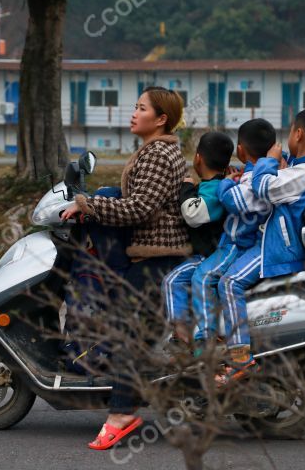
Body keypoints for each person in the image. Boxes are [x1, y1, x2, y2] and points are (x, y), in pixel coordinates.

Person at [60, 86, 190, 450]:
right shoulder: (156, 150)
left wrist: (89, 205)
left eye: (141, 108)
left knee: (126, 331)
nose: (133, 113)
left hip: (157, 257)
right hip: (147, 254)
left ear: (160, 118)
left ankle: (121, 414)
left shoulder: (158, 155)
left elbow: (140, 209)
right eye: (135, 106)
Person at [215, 108, 305, 385]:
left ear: (298, 134)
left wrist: (267, 161)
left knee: (229, 283)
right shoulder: (298, 166)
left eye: (291, 130)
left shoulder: (304, 172)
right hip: (274, 243)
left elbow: (264, 187)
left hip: (278, 249)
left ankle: (240, 357)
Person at [188, 119, 274, 364]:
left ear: (241, 150)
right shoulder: (265, 172)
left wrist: (226, 182)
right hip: (241, 242)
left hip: (238, 243)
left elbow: (231, 200)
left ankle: (210, 343)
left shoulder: (252, 178)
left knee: (205, 278)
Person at [161, 131, 234, 348]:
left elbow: (194, 215)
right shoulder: (214, 185)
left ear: (198, 158)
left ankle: (186, 333)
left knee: (173, 280)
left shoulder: (214, 188)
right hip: (207, 252)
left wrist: (186, 189)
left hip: (210, 254)